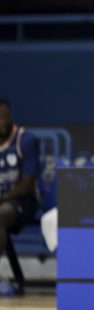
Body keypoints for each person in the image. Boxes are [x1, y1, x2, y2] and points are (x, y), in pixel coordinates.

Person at [0, 98, 41, 293]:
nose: (2, 122)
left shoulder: (25, 140)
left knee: (1, 214)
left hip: (23, 201)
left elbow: (27, 184)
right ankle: (15, 279)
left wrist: (4, 196)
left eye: (5, 117)